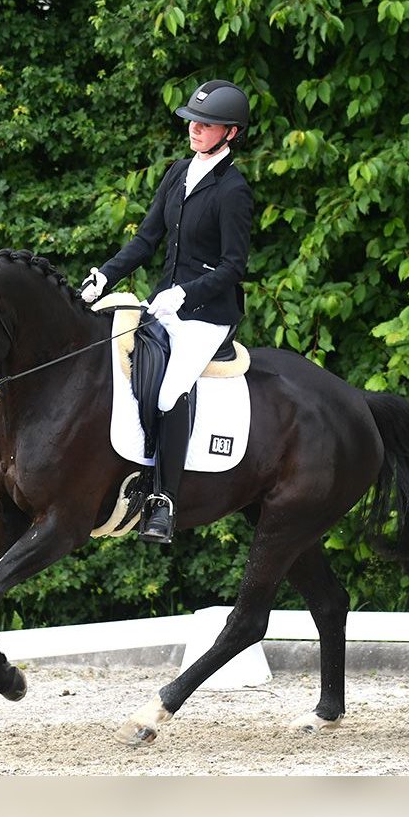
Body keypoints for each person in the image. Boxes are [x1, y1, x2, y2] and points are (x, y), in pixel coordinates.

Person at [80, 79, 253, 544]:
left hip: (206, 312)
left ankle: (164, 501)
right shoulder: (178, 172)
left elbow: (235, 265)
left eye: (207, 124)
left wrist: (188, 294)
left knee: (168, 391)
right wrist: (105, 275)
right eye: (193, 120)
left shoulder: (233, 190)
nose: (195, 128)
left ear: (230, 133)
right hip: (165, 303)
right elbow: (146, 239)